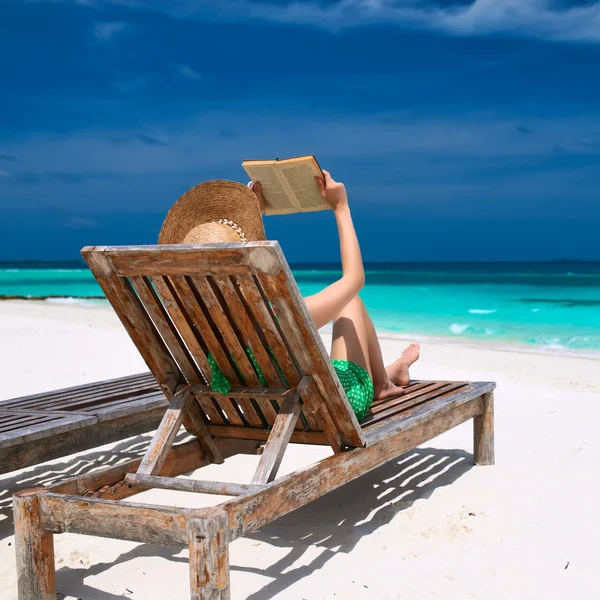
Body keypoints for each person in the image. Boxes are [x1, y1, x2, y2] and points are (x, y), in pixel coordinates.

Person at [158, 176, 420, 421]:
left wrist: (254, 215)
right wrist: (340, 207)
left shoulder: (197, 320)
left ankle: (391, 374)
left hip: (259, 412)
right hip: (319, 412)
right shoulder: (275, 321)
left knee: (344, 306)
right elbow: (354, 280)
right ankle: (383, 384)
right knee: (350, 301)